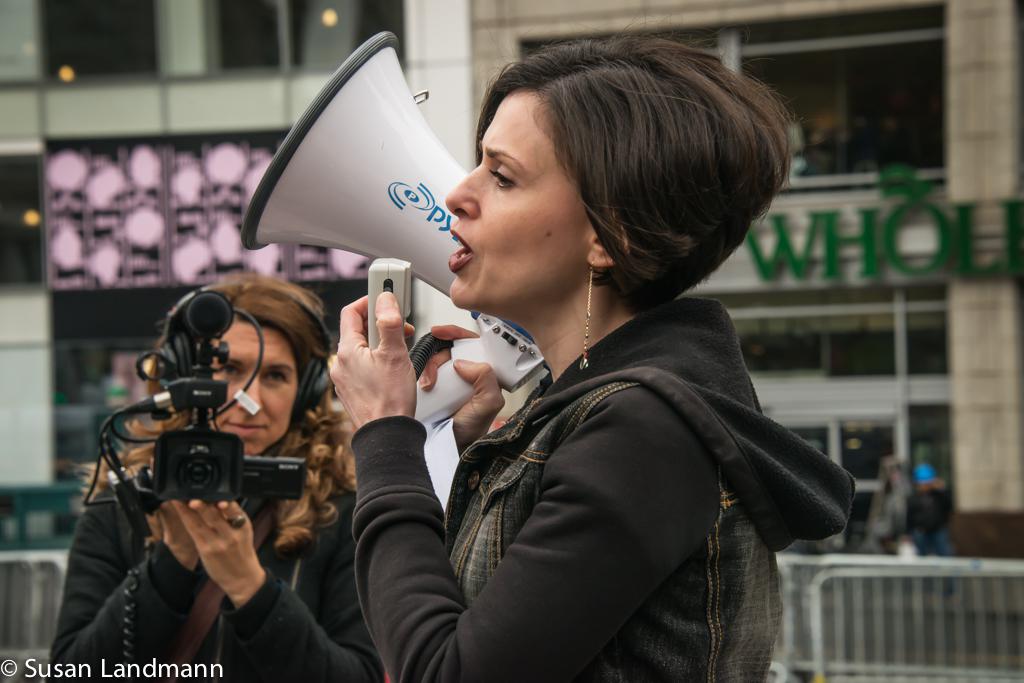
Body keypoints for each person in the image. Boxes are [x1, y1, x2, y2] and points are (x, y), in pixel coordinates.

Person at [331, 36, 855, 682]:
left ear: (612, 237)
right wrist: (452, 455)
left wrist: (386, 433)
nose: (455, 196)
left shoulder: (640, 431)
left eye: (501, 175)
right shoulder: (607, 417)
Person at [51, 274, 383, 682]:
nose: (251, 402)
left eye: (276, 376)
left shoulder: (342, 511)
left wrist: (250, 586)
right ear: (181, 379)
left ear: (306, 390)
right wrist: (171, 565)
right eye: (229, 368)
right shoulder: (121, 504)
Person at [905, 462, 954, 557]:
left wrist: (942, 490)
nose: (924, 487)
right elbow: (909, 516)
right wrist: (907, 533)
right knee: (921, 556)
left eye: (926, 484)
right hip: (920, 531)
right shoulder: (914, 498)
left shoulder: (939, 495)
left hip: (938, 530)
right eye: (922, 484)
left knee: (945, 554)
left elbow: (948, 506)